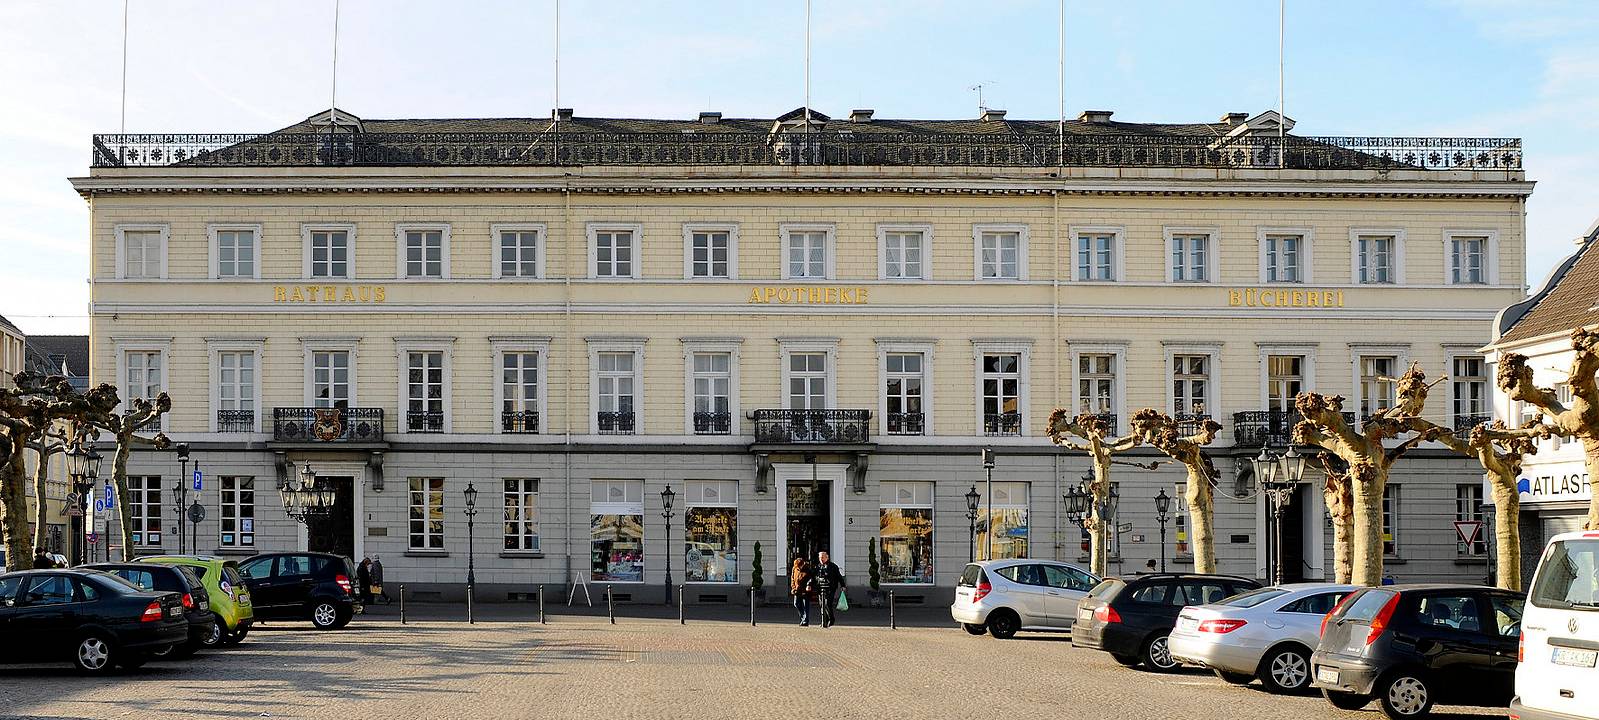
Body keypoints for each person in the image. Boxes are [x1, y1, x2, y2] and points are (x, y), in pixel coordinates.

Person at [813, 550, 845, 628]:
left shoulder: (833, 566)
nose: (821, 559)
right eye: (820, 558)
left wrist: (843, 585)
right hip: (820, 588)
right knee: (822, 605)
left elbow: (839, 576)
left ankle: (831, 619)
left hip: (830, 588)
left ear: (827, 557)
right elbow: (814, 576)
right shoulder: (818, 566)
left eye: (823, 557)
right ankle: (824, 621)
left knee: (827, 604)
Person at [790, 555, 816, 626]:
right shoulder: (794, 569)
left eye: (799, 566)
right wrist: (793, 588)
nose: (798, 568)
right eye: (797, 567)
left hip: (805, 591)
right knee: (796, 604)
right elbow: (792, 579)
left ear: (802, 564)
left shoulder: (807, 569)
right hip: (797, 590)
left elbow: (811, 578)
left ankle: (805, 621)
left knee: (805, 606)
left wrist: (809, 585)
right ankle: (803, 618)